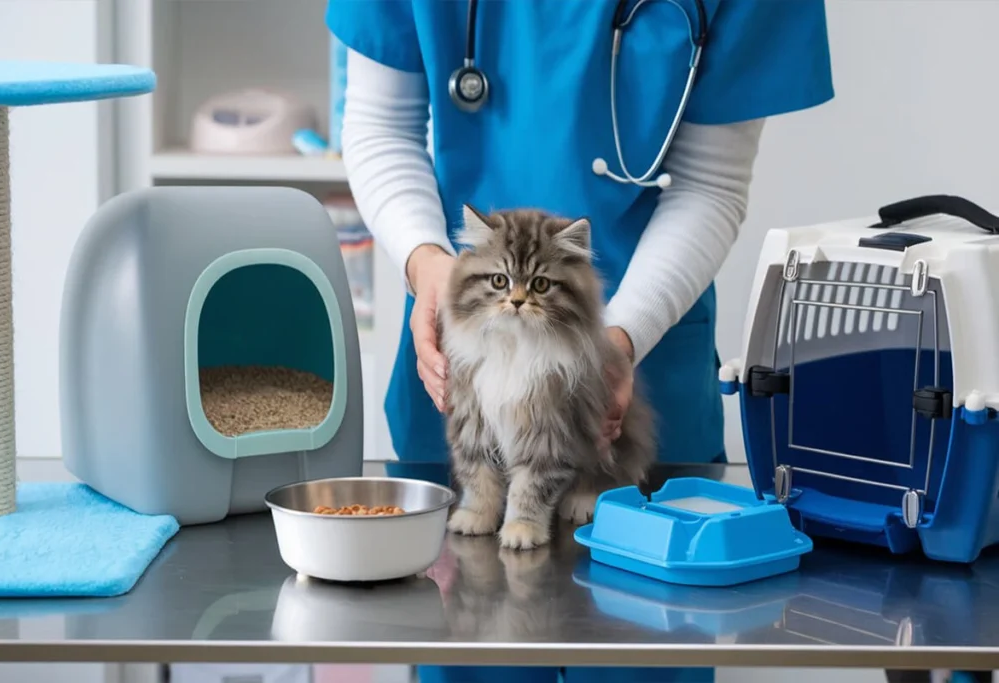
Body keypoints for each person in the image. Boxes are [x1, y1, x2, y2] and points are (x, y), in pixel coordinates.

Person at [326, 1, 834, 681]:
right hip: (469, 354)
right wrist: (430, 266)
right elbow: (381, 126)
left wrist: (619, 343)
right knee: (473, 646)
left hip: (640, 363)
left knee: (637, 650)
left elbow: (711, 181)